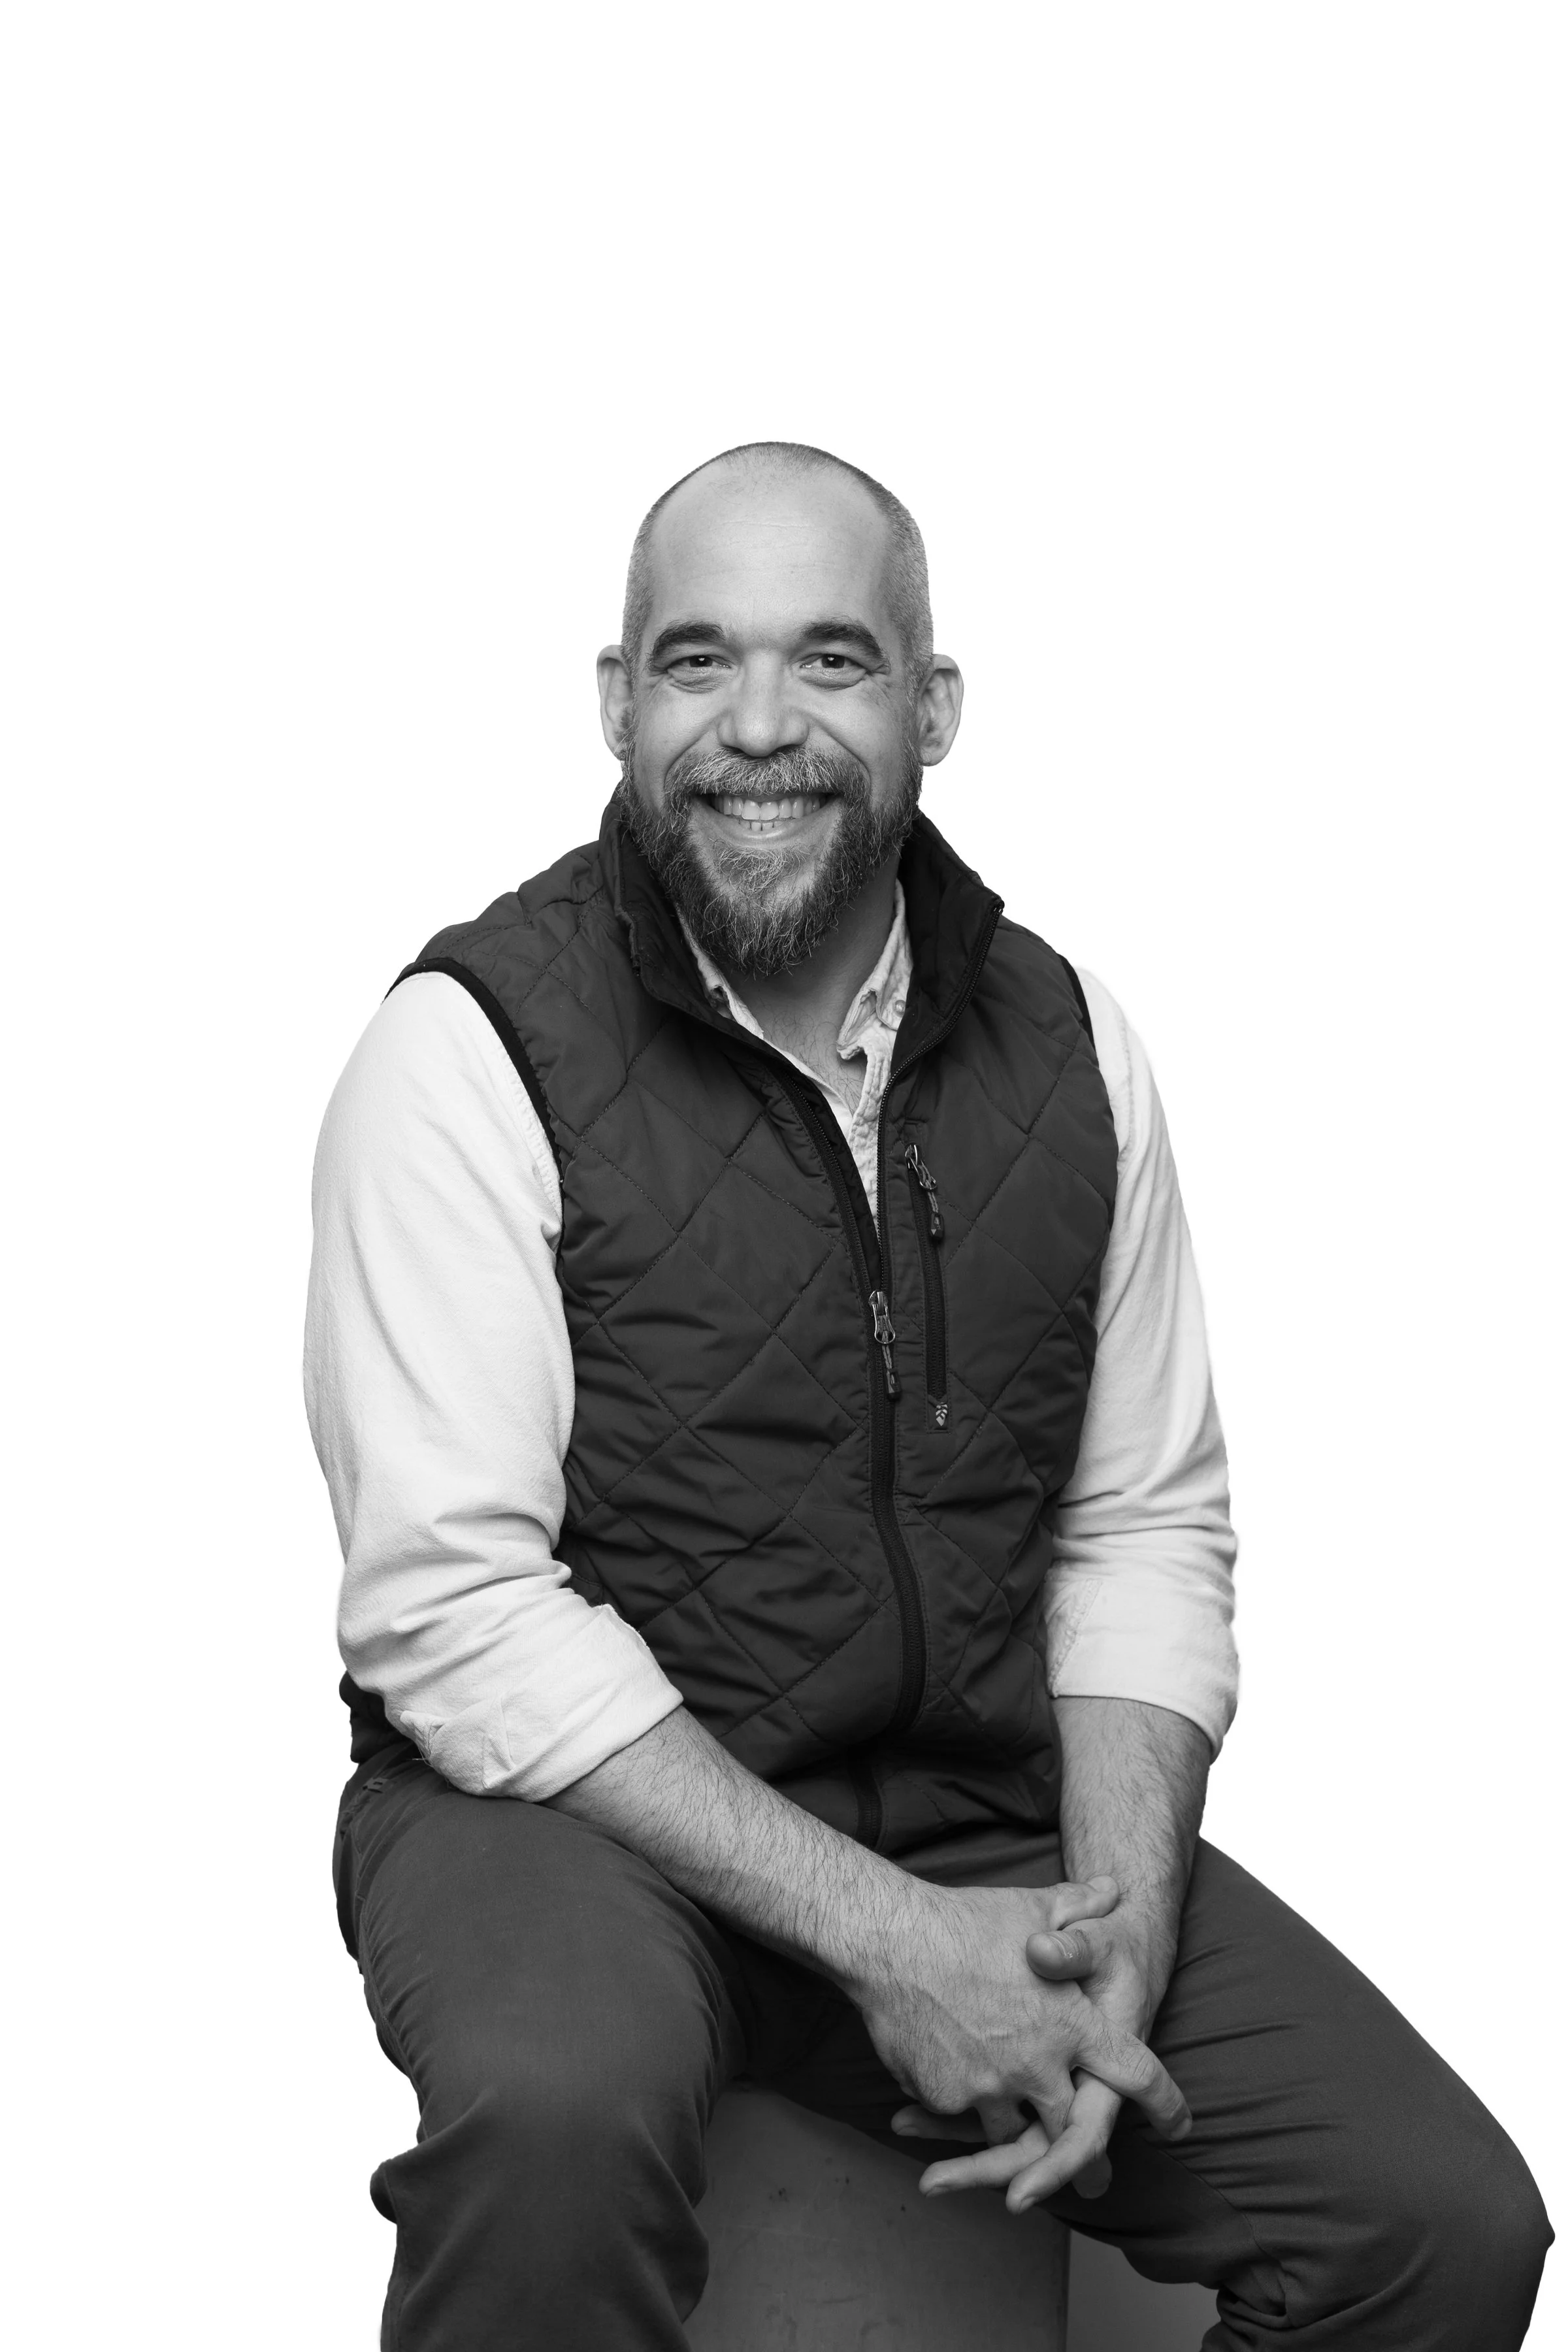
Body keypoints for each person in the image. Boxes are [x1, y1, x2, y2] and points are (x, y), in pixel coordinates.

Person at [306, 441, 1550, 2350]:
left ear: (933, 706)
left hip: (968, 1808)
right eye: (700, 660)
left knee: (1438, 2226)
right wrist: (893, 1944)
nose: (759, 726)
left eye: (833, 659)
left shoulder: (1070, 1044)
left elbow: (1141, 1517)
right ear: (620, 703)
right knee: (558, 2118)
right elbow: (456, 1615)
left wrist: (1115, 1915)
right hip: (558, 1815)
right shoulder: (464, 1054)